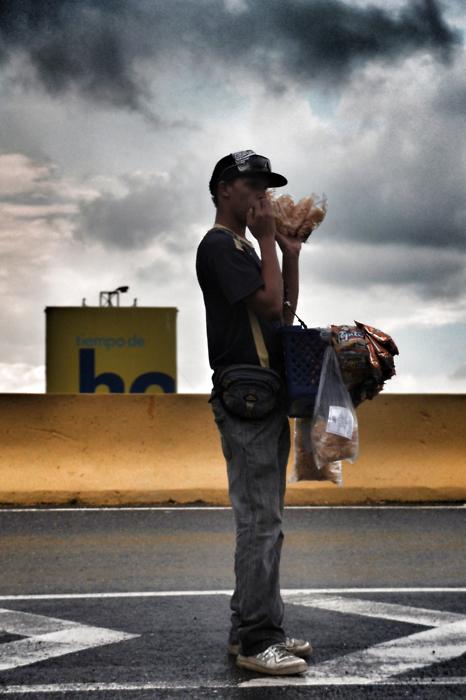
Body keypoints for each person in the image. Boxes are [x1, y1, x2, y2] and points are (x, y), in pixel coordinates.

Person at [196, 150, 311, 676]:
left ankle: (254, 627)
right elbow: (266, 305)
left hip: (263, 394)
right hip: (245, 397)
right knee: (260, 521)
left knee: (268, 520)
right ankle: (256, 640)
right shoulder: (220, 246)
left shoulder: (244, 247)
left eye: (267, 187)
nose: (262, 196)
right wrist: (268, 240)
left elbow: (281, 312)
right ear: (224, 190)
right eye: (252, 186)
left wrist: (287, 252)